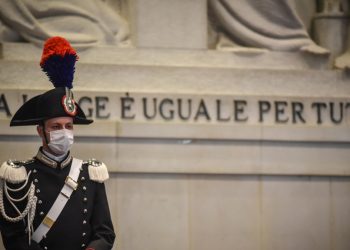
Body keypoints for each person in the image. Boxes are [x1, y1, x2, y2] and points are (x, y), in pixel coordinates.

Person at [0, 37, 116, 250]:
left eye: (69, 126)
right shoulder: (18, 176)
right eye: (56, 126)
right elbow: (14, 239)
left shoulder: (90, 174)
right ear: (40, 131)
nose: (64, 132)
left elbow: (105, 233)